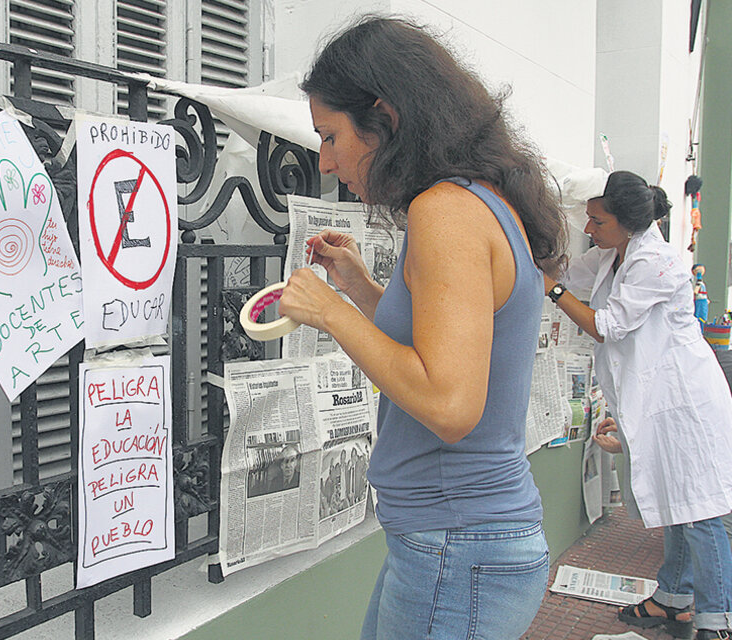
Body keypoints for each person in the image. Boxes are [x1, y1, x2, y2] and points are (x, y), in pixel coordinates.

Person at [278, 15, 567, 639]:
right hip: (452, 543)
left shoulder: (445, 212)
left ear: (383, 117)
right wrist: (355, 285)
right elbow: (443, 337)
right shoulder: (473, 200)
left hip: (458, 548)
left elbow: (447, 400)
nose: (326, 162)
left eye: (330, 136)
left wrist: (329, 313)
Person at [545, 170, 732, 640]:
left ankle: (717, 617)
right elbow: (570, 271)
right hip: (655, 401)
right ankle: (674, 597)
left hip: (685, 402)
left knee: (701, 508)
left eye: (597, 221)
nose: (589, 229)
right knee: (676, 501)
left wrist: (553, 289)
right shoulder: (613, 253)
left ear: (627, 222)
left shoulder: (660, 261)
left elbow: (607, 325)